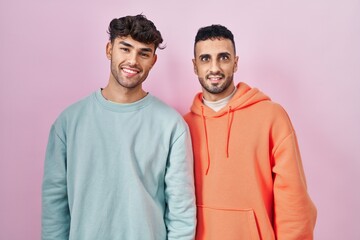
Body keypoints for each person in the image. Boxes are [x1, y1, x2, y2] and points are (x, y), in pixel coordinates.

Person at [42, 14, 196, 240]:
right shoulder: (68, 123)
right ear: (109, 50)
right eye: (125, 48)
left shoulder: (172, 126)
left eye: (144, 53)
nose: (133, 60)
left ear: (153, 61)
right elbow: (54, 206)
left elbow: (181, 211)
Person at [184, 24, 317, 240]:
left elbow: (294, 201)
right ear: (195, 66)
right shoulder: (183, 126)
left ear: (235, 63)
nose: (215, 67)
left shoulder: (271, 116)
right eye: (206, 59)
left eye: (224, 58)